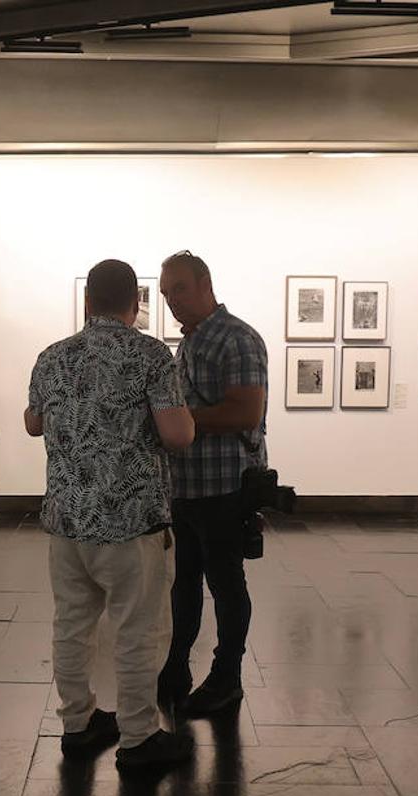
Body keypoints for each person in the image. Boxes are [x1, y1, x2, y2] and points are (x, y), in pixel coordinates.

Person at [26, 259, 196, 770]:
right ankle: (139, 737)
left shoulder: (52, 357)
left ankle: (77, 724)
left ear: (86, 301)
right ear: (135, 303)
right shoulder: (149, 355)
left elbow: (33, 423)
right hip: (130, 524)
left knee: (72, 626)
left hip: (67, 522)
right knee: (138, 630)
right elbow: (177, 435)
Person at [157, 250, 269, 717]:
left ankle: (227, 676)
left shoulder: (237, 338)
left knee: (225, 582)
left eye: (179, 289)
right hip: (187, 486)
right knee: (183, 584)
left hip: (224, 487)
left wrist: (178, 421)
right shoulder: (191, 341)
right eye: (165, 294)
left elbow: (247, 412)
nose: (173, 301)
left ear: (205, 283)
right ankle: (177, 665)